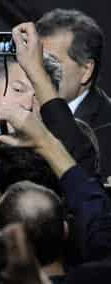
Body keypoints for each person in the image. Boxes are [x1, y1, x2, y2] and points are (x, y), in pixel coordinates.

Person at [36, 8, 111, 180]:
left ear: (86, 70)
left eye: (51, 62)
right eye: (36, 60)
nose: (38, 71)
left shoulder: (107, 129)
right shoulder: (22, 109)